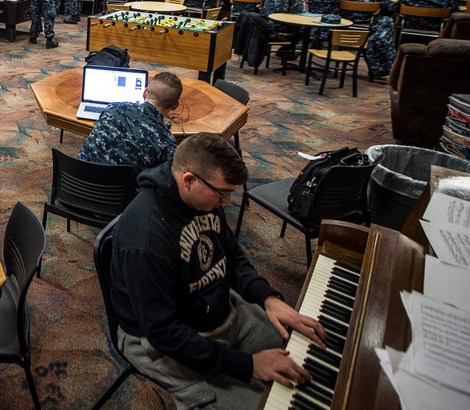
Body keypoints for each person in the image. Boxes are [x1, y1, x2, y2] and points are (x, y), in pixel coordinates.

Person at [111, 133, 325, 409]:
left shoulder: (203, 198)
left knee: (306, 354)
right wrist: (248, 365)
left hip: (217, 308)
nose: (227, 202)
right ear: (188, 180)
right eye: (223, 192)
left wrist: (267, 298)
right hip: (163, 341)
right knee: (270, 403)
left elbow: (233, 258)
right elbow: (163, 332)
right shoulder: (146, 238)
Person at [78, 72, 183, 176]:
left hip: (74, 181)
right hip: (117, 192)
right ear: (175, 106)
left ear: (145, 92)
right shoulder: (167, 143)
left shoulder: (113, 108)